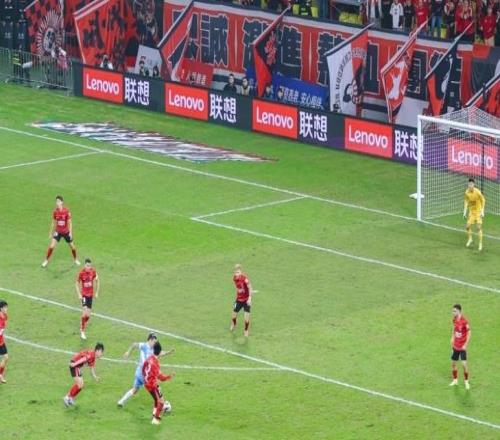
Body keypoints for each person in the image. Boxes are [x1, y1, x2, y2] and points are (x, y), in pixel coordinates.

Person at [117, 333, 174, 407]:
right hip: (144, 374)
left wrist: (168, 352)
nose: (155, 343)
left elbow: (159, 353)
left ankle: (121, 401)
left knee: (135, 390)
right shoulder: (144, 346)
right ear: (150, 340)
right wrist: (128, 352)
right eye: (154, 341)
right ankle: (163, 406)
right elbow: (134, 344)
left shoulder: (153, 349)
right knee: (156, 387)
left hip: (139, 373)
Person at [42, 195, 79, 268]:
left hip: (66, 232)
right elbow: (53, 223)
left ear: (62, 202)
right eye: (56, 201)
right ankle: (46, 261)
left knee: (73, 247)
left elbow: (70, 222)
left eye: (58, 201)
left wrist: (70, 233)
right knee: (51, 246)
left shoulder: (66, 211)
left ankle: (75, 260)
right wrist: (50, 232)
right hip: (58, 232)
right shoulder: (55, 212)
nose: (57, 203)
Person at [143, 341, 175, 425]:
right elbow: (162, 378)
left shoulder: (150, 357)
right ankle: (155, 420)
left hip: (146, 382)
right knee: (161, 402)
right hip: (151, 385)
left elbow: (144, 367)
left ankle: (154, 414)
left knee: (156, 399)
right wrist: (170, 376)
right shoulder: (155, 364)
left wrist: (145, 377)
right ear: (160, 352)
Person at [76, 258, 99, 340]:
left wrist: (97, 292)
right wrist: (79, 294)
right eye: (87, 265)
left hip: (90, 296)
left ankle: (82, 325)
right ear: (84, 265)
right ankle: (82, 331)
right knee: (84, 312)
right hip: (84, 296)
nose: (88, 267)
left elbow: (97, 280)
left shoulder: (93, 271)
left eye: (89, 266)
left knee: (88, 316)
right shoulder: (81, 273)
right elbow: (76, 283)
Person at [449, 304, 471, 389]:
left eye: (454, 311)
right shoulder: (454, 319)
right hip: (455, 346)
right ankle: (455, 380)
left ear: (459, 311)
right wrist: (452, 337)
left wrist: (465, 344)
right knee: (453, 364)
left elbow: (469, 332)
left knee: (464, 364)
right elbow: (454, 328)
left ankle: (466, 381)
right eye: (453, 311)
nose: (453, 312)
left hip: (462, 347)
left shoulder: (464, 321)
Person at [230, 264, 253, 337]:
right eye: (236, 272)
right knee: (233, 315)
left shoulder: (245, 279)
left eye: (238, 272)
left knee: (246, 317)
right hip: (238, 300)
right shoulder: (234, 278)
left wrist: (249, 298)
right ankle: (234, 323)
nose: (237, 274)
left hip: (246, 300)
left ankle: (246, 330)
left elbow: (250, 288)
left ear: (241, 272)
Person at [463, 177, 485, 251]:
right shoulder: (466, 192)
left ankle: (480, 244)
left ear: (474, 185)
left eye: (471, 184)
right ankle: (470, 239)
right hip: (472, 212)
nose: (470, 185)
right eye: (469, 184)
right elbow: (466, 201)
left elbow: (483, 200)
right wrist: (465, 211)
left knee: (478, 228)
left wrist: (482, 211)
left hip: (478, 212)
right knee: (467, 226)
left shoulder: (477, 192)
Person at [0, 300, 8, 384]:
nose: (6, 309)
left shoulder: (5, 316)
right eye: (5, 307)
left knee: (6, 357)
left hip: (1, 341)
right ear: (1, 308)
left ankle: (0, 374)